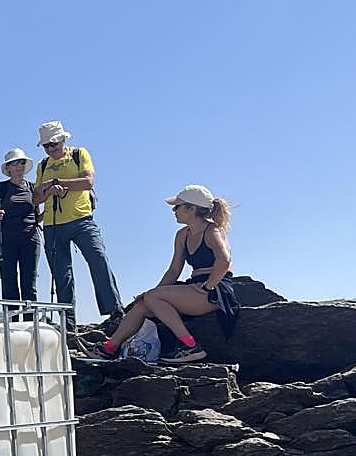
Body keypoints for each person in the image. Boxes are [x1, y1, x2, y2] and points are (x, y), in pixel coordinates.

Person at [92, 185, 238, 364]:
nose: (174, 210)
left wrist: (208, 286)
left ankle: (191, 347)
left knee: (152, 298)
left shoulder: (212, 231)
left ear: (192, 209)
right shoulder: (182, 235)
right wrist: (151, 294)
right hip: (195, 287)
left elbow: (224, 261)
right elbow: (174, 271)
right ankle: (109, 349)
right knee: (143, 305)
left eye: (178, 206)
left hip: (215, 291)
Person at [32, 120, 123, 336]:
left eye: (54, 143)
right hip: (53, 225)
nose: (51, 148)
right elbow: (36, 197)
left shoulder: (79, 154)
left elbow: (88, 182)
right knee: (61, 274)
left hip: (82, 220)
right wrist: (47, 189)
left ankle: (115, 312)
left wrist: (58, 183)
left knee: (98, 260)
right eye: (47, 145)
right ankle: (68, 322)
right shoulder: (42, 165)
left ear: (63, 139)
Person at [0, 147, 41, 305]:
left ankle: (31, 325)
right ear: (8, 167)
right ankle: (11, 325)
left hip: (30, 240)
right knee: (9, 284)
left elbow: (38, 217)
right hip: (6, 241)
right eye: (15, 163)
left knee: (29, 285)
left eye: (22, 162)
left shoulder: (32, 188)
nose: (19, 166)